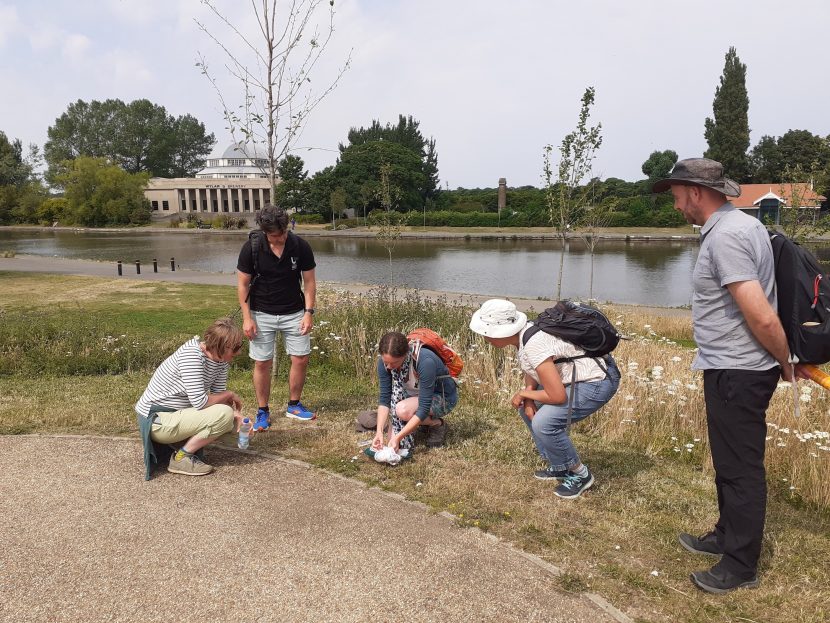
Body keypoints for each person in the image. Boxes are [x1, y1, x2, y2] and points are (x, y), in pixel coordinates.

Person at [652, 158, 797, 594]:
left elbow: (760, 312)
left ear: (695, 192)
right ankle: (726, 534)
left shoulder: (728, 237)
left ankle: (740, 564)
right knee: (728, 461)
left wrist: (784, 359)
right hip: (729, 365)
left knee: (740, 469)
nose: (677, 206)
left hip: (739, 369)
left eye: (677, 196)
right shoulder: (738, 226)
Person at [469, 299, 620, 499]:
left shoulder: (534, 343)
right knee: (527, 409)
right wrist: (529, 397)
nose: (484, 337)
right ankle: (561, 466)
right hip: (576, 379)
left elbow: (556, 395)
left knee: (544, 422)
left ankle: (580, 475)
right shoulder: (526, 333)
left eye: (486, 333)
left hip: (596, 382)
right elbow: (533, 368)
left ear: (501, 331)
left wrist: (524, 394)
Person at [237, 204, 317, 430]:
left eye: (283, 233)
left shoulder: (300, 246)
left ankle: (294, 405)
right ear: (264, 231)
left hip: (295, 312)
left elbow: (310, 282)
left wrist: (308, 313)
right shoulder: (251, 248)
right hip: (261, 313)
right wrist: (247, 318)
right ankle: (263, 410)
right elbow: (243, 285)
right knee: (263, 362)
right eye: (275, 235)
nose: (280, 238)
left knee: (300, 358)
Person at [135, 318, 245, 477]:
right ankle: (181, 458)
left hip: (178, 415)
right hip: (157, 420)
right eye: (236, 347)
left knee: (237, 427)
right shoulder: (192, 355)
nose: (239, 352)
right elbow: (200, 402)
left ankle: (182, 446)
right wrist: (229, 395)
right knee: (225, 415)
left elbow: (218, 398)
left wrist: (237, 416)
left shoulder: (220, 361)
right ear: (224, 345)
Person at [372, 331, 459, 459]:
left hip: (443, 397)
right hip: (413, 397)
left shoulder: (425, 361)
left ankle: (436, 424)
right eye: (386, 362)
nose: (389, 367)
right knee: (393, 439)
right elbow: (385, 399)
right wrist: (379, 432)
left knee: (402, 411)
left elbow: (423, 407)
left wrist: (398, 437)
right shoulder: (385, 363)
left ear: (405, 354)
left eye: (394, 363)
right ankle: (417, 423)